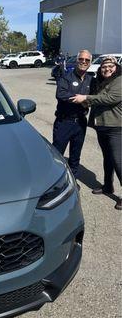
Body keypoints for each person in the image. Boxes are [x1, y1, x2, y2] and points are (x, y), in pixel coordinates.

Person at [70, 56, 122, 210]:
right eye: (104, 66)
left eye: (110, 66)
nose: (107, 69)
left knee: (118, 161)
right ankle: (108, 186)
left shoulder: (119, 80)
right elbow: (97, 98)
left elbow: (110, 98)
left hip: (116, 127)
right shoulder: (101, 81)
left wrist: (85, 98)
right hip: (103, 126)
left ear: (116, 67)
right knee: (108, 158)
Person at [52, 49, 93, 184]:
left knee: (75, 155)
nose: (84, 62)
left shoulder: (90, 79)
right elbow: (61, 94)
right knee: (57, 154)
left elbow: (97, 96)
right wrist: (81, 100)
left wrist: (87, 100)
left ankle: (73, 180)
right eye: (81, 59)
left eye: (87, 60)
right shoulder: (66, 77)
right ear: (77, 60)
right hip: (65, 122)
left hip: (81, 123)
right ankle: (55, 181)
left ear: (90, 63)